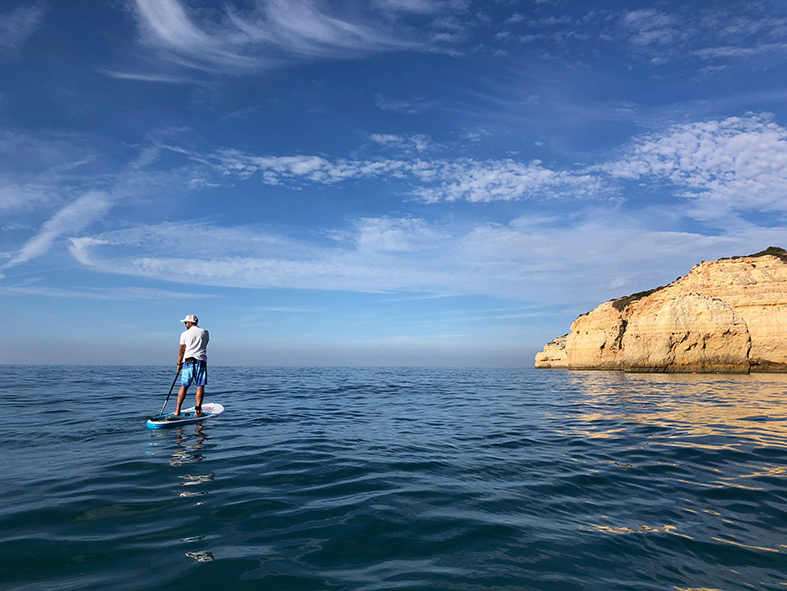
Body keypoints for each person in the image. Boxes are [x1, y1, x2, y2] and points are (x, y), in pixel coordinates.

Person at [175, 315, 210, 416]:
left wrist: (179, 363)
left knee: (184, 386)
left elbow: (182, 350)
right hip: (201, 360)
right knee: (200, 387)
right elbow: (205, 344)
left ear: (190, 323)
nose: (185, 325)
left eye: (186, 323)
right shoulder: (205, 332)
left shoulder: (184, 334)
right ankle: (197, 411)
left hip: (188, 361)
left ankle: (177, 411)